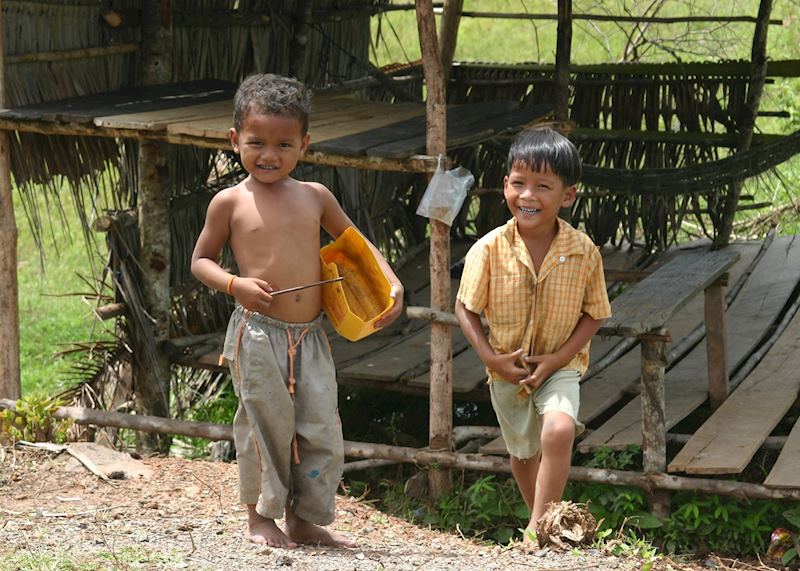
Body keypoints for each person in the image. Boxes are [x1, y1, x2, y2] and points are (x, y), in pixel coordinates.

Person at [191, 73, 404, 549]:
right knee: (264, 426)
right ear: (234, 140)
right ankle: (260, 519)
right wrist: (235, 285)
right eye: (257, 143)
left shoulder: (315, 196)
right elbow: (200, 261)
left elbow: (354, 243)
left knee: (320, 427)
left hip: (310, 336)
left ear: (304, 144)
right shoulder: (229, 202)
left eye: (283, 144)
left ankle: (305, 519)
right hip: (257, 333)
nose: (269, 155)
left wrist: (390, 281)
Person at [454, 127, 611, 544]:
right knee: (523, 454)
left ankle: (537, 529)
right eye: (519, 183)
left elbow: (595, 314)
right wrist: (490, 359)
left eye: (543, 186)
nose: (528, 195)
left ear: (568, 196)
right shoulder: (488, 249)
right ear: (505, 185)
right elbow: (465, 308)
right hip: (508, 370)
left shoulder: (583, 251)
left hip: (560, 365)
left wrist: (558, 359)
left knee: (558, 431)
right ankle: (546, 528)